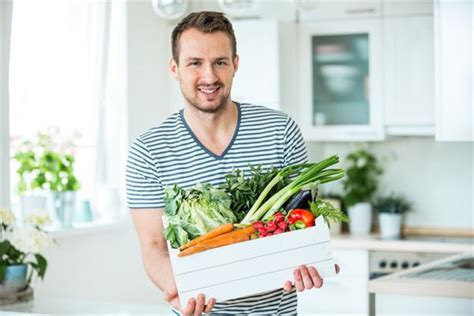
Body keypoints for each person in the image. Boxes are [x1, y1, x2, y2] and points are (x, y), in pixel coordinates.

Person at [126, 11, 338, 316]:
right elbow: (153, 245)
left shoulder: (280, 131)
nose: (209, 77)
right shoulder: (149, 151)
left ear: (235, 65)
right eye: (195, 63)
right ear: (174, 68)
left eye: (220, 62)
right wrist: (177, 288)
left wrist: (310, 258)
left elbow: (302, 219)